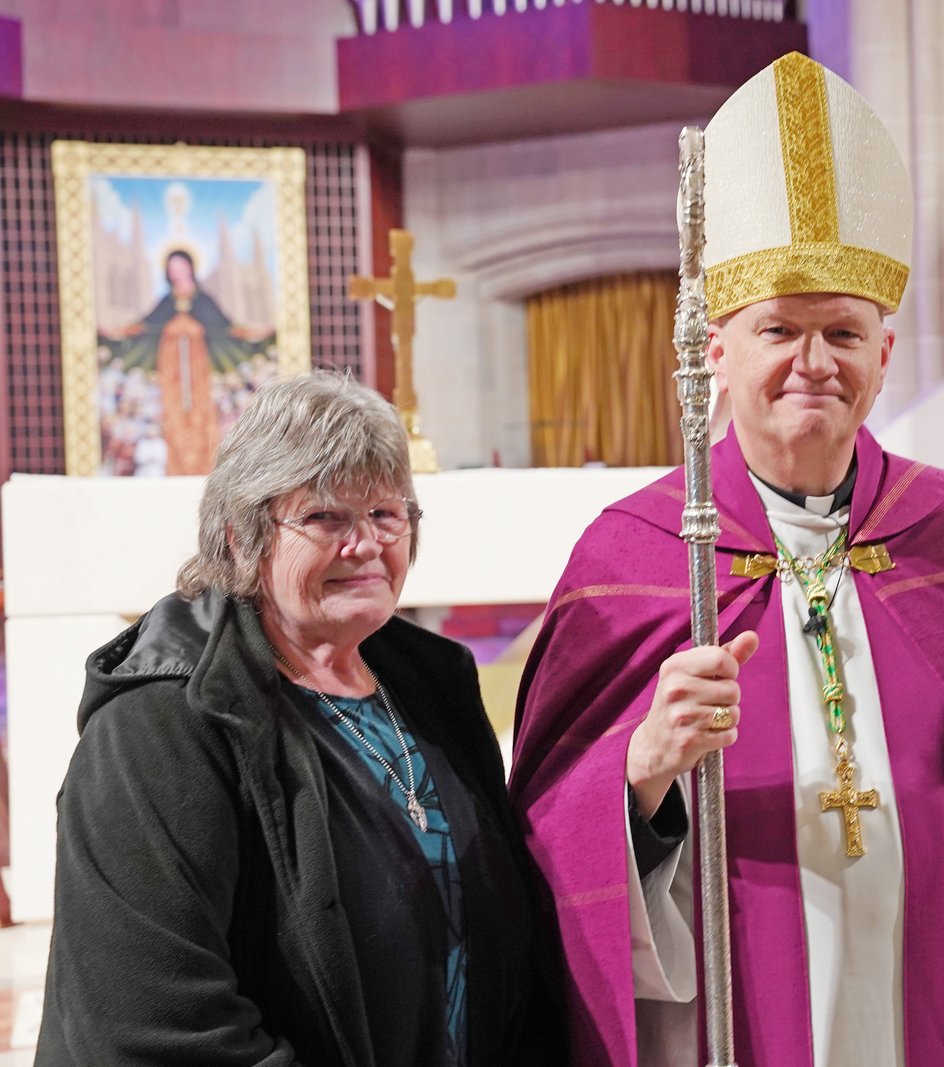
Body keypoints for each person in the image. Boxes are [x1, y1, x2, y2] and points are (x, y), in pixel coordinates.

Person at [511, 51, 944, 1067]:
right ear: (717, 350)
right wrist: (641, 769)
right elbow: (543, 825)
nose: (813, 361)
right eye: (778, 330)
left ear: (884, 353)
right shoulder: (635, 557)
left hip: (941, 1001)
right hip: (737, 1011)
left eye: (843, 330)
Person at [37, 371, 566, 1065]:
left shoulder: (431, 688)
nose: (367, 542)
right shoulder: (160, 722)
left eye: (386, 513)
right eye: (325, 517)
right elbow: (155, 1024)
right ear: (242, 534)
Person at [100, 248, 275, 475]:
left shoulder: (203, 300)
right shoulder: (167, 301)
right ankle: (174, 466)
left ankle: (204, 465)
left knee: (201, 411)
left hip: (197, 365)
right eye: (172, 269)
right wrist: (116, 332)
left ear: (190, 267)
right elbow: (145, 325)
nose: (177, 273)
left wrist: (255, 333)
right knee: (172, 410)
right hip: (170, 364)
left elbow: (227, 327)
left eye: (180, 267)